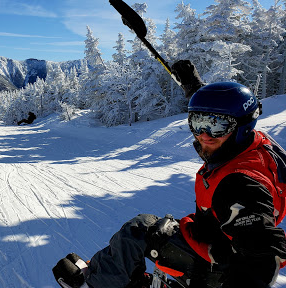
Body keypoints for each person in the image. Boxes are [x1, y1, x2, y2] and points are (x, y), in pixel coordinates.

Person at [52, 61, 286, 288]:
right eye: (197, 122)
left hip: (219, 266)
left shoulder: (239, 184)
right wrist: (193, 85)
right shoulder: (255, 144)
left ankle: (93, 283)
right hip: (216, 234)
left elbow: (263, 253)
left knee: (139, 230)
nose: (204, 134)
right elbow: (219, 111)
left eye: (216, 126)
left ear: (243, 125)